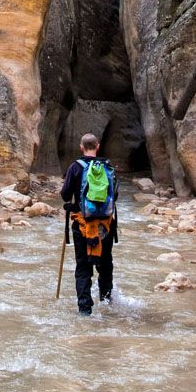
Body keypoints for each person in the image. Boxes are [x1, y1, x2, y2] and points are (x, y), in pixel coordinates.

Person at [61, 133, 118, 316]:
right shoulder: (108, 167)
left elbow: (64, 194)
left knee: (83, 268)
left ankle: (85, 311)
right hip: (106, 226)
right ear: (98, 146)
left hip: (83, 225)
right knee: (105, 264)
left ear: (81, 147)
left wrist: (72, 203)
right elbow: (114, 196)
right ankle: (107, 303)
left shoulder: (75, 168)